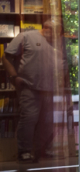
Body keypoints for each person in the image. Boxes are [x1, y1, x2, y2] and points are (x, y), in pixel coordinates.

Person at [3, 27, 60, 164]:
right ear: (45, 27)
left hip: (49, 88)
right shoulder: (26, 36)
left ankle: (42, 150)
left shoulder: (55, 42)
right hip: (29, 86)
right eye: (52, 28)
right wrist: (14, 77)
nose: (55, 31)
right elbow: (5, 57)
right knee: (29, 119)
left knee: (47, 120)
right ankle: (24, 152)